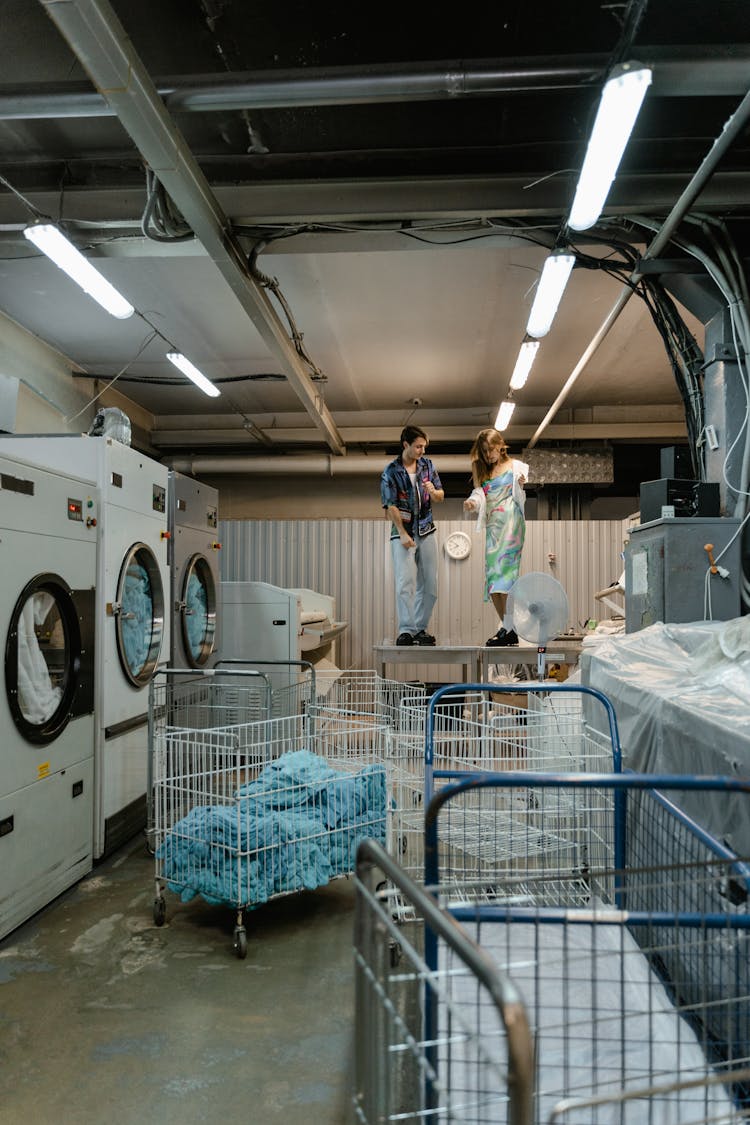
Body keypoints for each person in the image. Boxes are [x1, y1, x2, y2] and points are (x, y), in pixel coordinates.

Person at [380, 424, 444, 646]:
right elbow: (390, 505)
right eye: (418, 446)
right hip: (403, 532)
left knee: (430, 584)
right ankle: (406, 629)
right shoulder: (391, 471)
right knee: (405, 582)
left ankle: (420, 629)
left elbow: (440, 496)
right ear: (405, 445)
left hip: (426, 529)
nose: (422, 451)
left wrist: (433, 492)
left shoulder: (428, 466)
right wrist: (402, 533)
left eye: (424, 446)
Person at [464, 427, 528, 646]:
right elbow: (479, 494)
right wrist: (472, 503)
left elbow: (520, 494)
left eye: (491, 449)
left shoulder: (515, 466)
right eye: (484, 451)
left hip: (511, 523)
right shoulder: (480, 469)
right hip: (494, 527)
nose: (488, 455)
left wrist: (521, 485)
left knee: (506, 577)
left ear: (501, 445)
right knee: (493, 580)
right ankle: (508, 628)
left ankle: (509, 628)